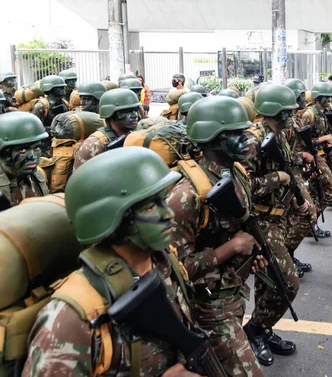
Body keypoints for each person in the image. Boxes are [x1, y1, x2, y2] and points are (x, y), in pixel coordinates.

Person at [23, 147, 204, 377]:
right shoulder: (72, 317)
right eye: (149, 206)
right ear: (111, 221)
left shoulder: (164, 261)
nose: (169, 213)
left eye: (163, 200)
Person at [166, 96, 266, 375]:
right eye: (236, 133)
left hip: (231, 292)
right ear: (213, 138)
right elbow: (176, 270)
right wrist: (232, 248)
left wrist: (248, 253)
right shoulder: (186, 195)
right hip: (207, 306)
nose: (247, 139)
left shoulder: (236, 173)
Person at [243, 84, 311, 365]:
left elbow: (287, 166)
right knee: (287, 283)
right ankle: (254, 329)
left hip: (278, 216)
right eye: (287, 112)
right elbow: (241, 187)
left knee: (268, 282)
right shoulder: (252, 141)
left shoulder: (277, 136)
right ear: (274, 112)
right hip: (260, 221)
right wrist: (279, 180)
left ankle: (263, 329)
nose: (292, 117)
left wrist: (298, 195)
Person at [284, 78, 330, 240]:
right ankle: (288, 254)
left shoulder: (294, 120)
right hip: (289, 173)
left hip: (298, 169)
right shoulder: (288, 124)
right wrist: (302, 157)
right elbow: (287, 153)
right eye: (302, 95)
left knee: (295, 216)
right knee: (302, 215)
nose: (306, 98)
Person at [73, 88, 140, 171]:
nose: (135, 115)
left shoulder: (136, 136)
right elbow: (80, 181)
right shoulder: (93, 145)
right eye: (127, 111)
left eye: (136, 110)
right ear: (110, 114)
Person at [302, 82, 332, 210]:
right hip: (314, 156)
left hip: (325, 152)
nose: (330, 99)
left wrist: (329, 146)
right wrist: (324, 139)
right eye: (327, 97)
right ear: (320, 98)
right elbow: (304, 143)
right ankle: (314, 216)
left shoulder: (324, 112)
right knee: (331, 189)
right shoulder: (309, 115)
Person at [0, 112, 48, 206]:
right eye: (22, 150)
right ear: (3, 152)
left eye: (36, 148)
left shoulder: (36, 175)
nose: (33, 156)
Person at [32, 75, 70, 156]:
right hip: (45, 147)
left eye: (63, 87)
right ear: (50, 89)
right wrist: (53, 130)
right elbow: (34, 128)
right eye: (59, 88)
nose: (63, 89)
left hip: (61, 144)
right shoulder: (41, 106)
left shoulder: (65, 104)